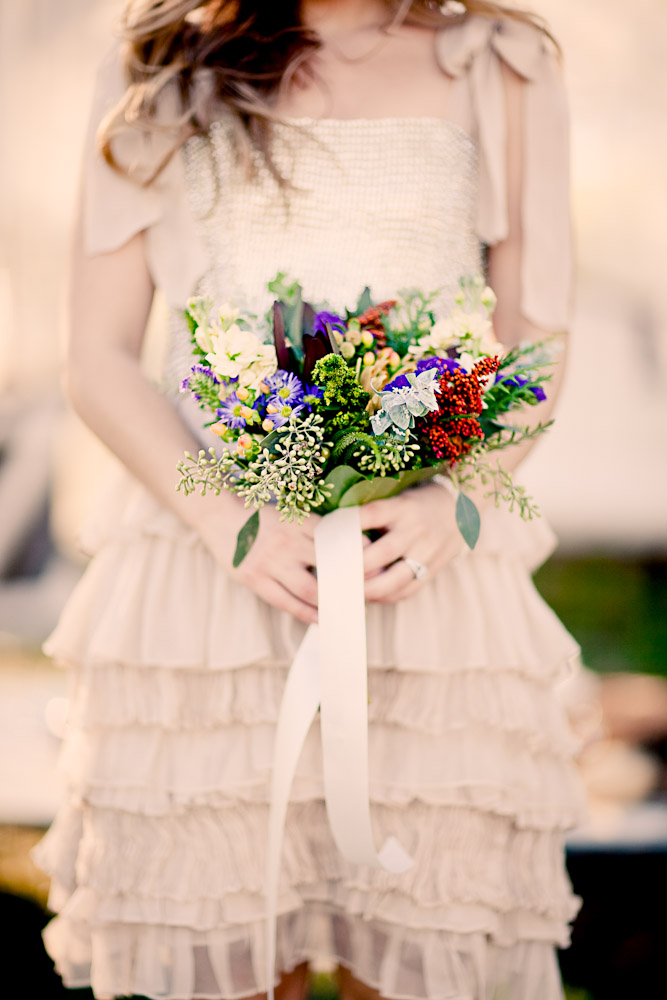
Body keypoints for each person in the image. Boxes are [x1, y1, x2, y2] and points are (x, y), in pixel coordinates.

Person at [33, 1, 586, 998]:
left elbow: (534, 346)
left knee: (429, 947)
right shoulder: (158, 66)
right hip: (203, 587)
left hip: (424, 584)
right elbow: (98, 357)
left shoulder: (502, 64)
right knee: (218, 952)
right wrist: (224, 517)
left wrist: (453, 505)